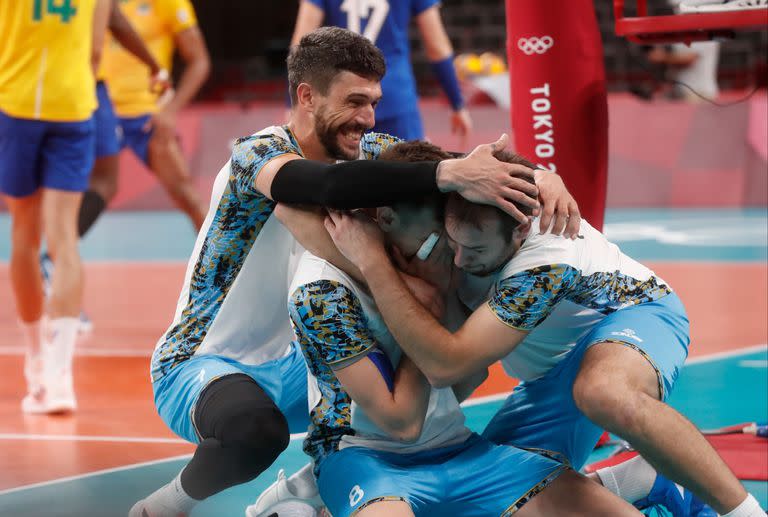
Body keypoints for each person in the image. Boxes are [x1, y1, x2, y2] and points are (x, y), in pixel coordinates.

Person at [129, 27, 576, 517]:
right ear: (307, 96)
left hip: (295, 362)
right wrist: (444, 176)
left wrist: (540, 175)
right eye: (355, 101)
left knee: (416, 360)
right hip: (203, 361)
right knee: (256, 433)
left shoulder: (370, 151)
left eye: (374, 102)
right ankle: (165, 506)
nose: (368, 118)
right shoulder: (255, 154)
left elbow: (463, 166)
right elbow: (324, 184)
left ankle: (306, 492)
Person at [324, 151, 765, 517]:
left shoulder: (545, 259)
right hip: (550, 377)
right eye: (451, 243)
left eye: (473, 250)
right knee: (494, 496)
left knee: (603, 390)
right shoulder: (466, 201)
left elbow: (448, 366)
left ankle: (745, 514)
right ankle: (636, 479)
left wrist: (372, 263)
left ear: (520, 229)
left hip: (632, 316)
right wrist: (541, 173)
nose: (457, 261)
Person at [278, 140, 642, 517]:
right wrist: (423, 299)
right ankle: (302, 500)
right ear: (384, 218)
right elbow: (401, 423)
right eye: (436, 242)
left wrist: (544, 176)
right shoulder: (322, 293)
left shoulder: (445, 258)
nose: (455, 259)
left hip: (460, 449)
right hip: (365, 460)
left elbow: (469, 377)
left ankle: (640, 481)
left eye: (452, 241)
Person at [40, 0, 170, 332]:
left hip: (60, 85)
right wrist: (154, 65)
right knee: (59, 197)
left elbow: (113, 18)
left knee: (101, 181)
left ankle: (53, 270)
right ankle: (59, 297)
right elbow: (114, 18)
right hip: (73, 86)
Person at [0, 0, 101, 413]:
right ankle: (61, 381)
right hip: (74, 105)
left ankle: (37, 362)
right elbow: (96, 51)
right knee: (64, 241)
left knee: (24, 235)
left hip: (18, 104)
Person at [86, 0, 210, 233]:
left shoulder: (168, 3)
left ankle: (222, 265)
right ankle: (53, 260)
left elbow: (200, 61)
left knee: (188, 196)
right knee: (78, 193)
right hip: (100, 109)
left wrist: (170, 111)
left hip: (147, 117)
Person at [290, 0, 472, 141]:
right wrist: (456, 103)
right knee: (408, 179)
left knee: (345, 182)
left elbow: (301, 44)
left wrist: (293, 104)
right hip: (394, 97)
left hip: (341, 97)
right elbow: (437, 47)